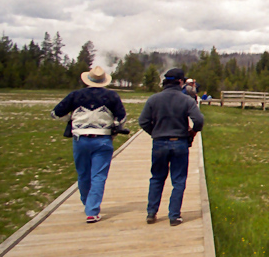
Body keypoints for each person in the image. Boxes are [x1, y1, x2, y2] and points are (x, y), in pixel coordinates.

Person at [51, 65, 127, 223]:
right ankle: (92, 210)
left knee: (83, 174)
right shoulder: (112, 96)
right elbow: (122, 118)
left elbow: (55, 113)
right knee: (98, 176)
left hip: (80, 139)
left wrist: (71, 120)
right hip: (103, 139)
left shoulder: (76, 95)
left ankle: (87, 203)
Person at [139, 68, 205, 226]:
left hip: (159, 142)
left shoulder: (153, 99)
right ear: (180, 82)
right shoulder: (186, 100)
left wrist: (155, 132)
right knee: (178, 180)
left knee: (156, 178)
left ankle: (151, 212)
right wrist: (192, 133)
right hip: (180, 141)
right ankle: (174, 216)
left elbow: (143, 121)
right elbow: (199, 120)